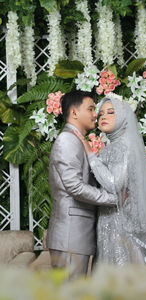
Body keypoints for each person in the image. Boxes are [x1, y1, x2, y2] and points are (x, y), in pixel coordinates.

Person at [74, 93, 146, 268]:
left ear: (122, 116)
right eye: (101, 113)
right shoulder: (112, 147)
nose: (103, 116)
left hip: (121, 227)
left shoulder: (123, 147)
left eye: (111, 112)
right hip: (110, 220)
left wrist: (90, 154)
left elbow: (114, 184)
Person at [46, 90, 116, 279]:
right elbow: (74, 187)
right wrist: (114, 199)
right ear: (75, 113)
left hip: (77, 237)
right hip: (70, 237)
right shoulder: (67, 140)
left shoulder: (76, 139)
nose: (96, 114)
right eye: (91, 108)